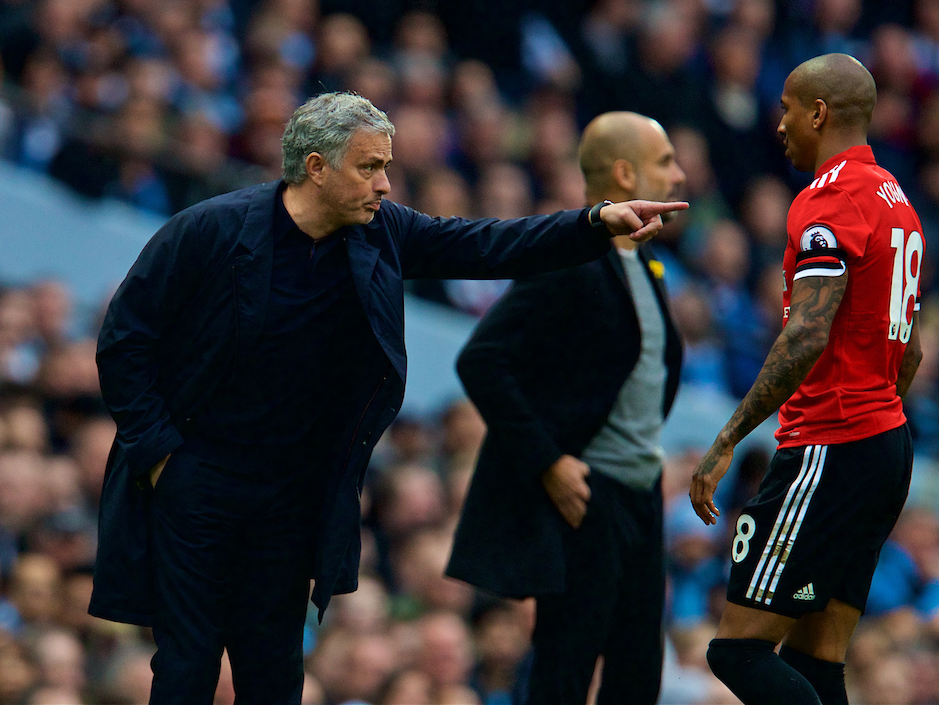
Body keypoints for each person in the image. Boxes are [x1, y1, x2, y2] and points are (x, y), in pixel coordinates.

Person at [89, 91, 686, 704]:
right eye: (369, 167)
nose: (384, 183)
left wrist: (591, 223)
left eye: (387, 166)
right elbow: (125, 338)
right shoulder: (211, 230)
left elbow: (484, 244)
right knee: (187, 666)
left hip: (290, 499)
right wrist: (161, 452)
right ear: (316, 167)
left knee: (272, 673)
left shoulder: (382, 233)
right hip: (199, 481)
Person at [688, 54, 926, 705]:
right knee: (817, 662)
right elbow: (910, 353)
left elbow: (807, 331)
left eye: (788, 108)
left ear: (818, 112)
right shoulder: (896, 202)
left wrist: (730, 436)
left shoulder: (832, 199)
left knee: (735, 650)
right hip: (883, 444)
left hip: (833, 440)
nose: (780, 123)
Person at [447, 111, 685, 704]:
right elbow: (482, 360)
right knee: (565, 670)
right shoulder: (572, 258)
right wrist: (548, 461)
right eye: (665, 162)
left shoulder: (646, 263)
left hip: (641, 496)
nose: (679, 176)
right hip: (590, 498)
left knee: (638, 676)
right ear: (626, 174)